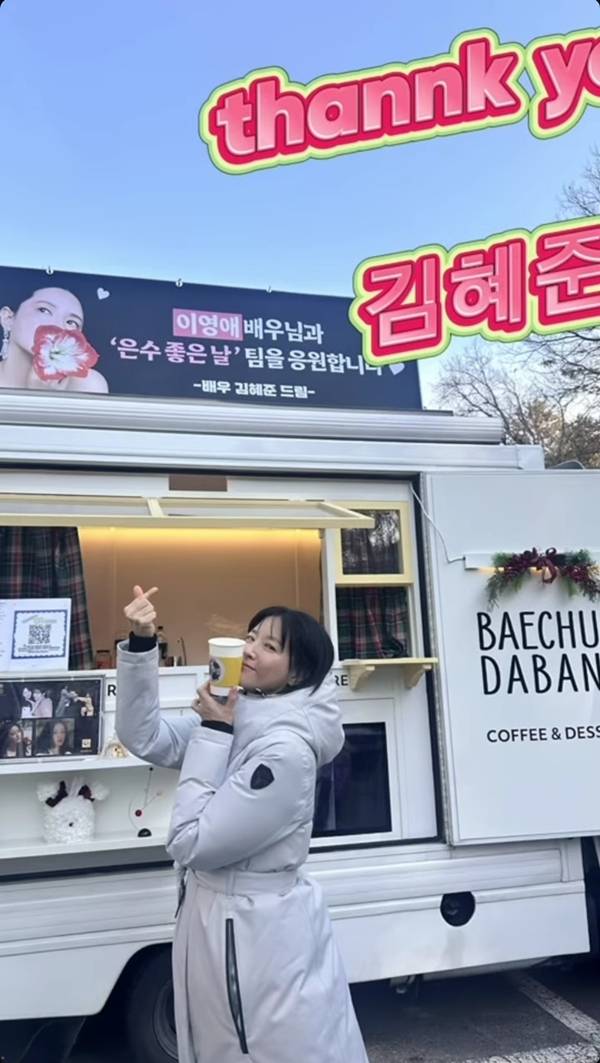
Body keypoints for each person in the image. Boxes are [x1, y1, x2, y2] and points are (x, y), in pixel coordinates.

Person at [116, 585, 369, 1063]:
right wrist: (143, 643)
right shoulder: (240, 713)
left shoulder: (284, 752)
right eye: (251, 637)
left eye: (269, 646)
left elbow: (191, 843)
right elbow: (144, 735)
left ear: (298, 673)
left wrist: (214, 730)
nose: (250, 649)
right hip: (225, 924)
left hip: (253, 935)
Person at [0, 286, 108, 393]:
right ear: (8, 318)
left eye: (71, 322)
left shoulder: (88, 384)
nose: (57, 326)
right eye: (44, 310)